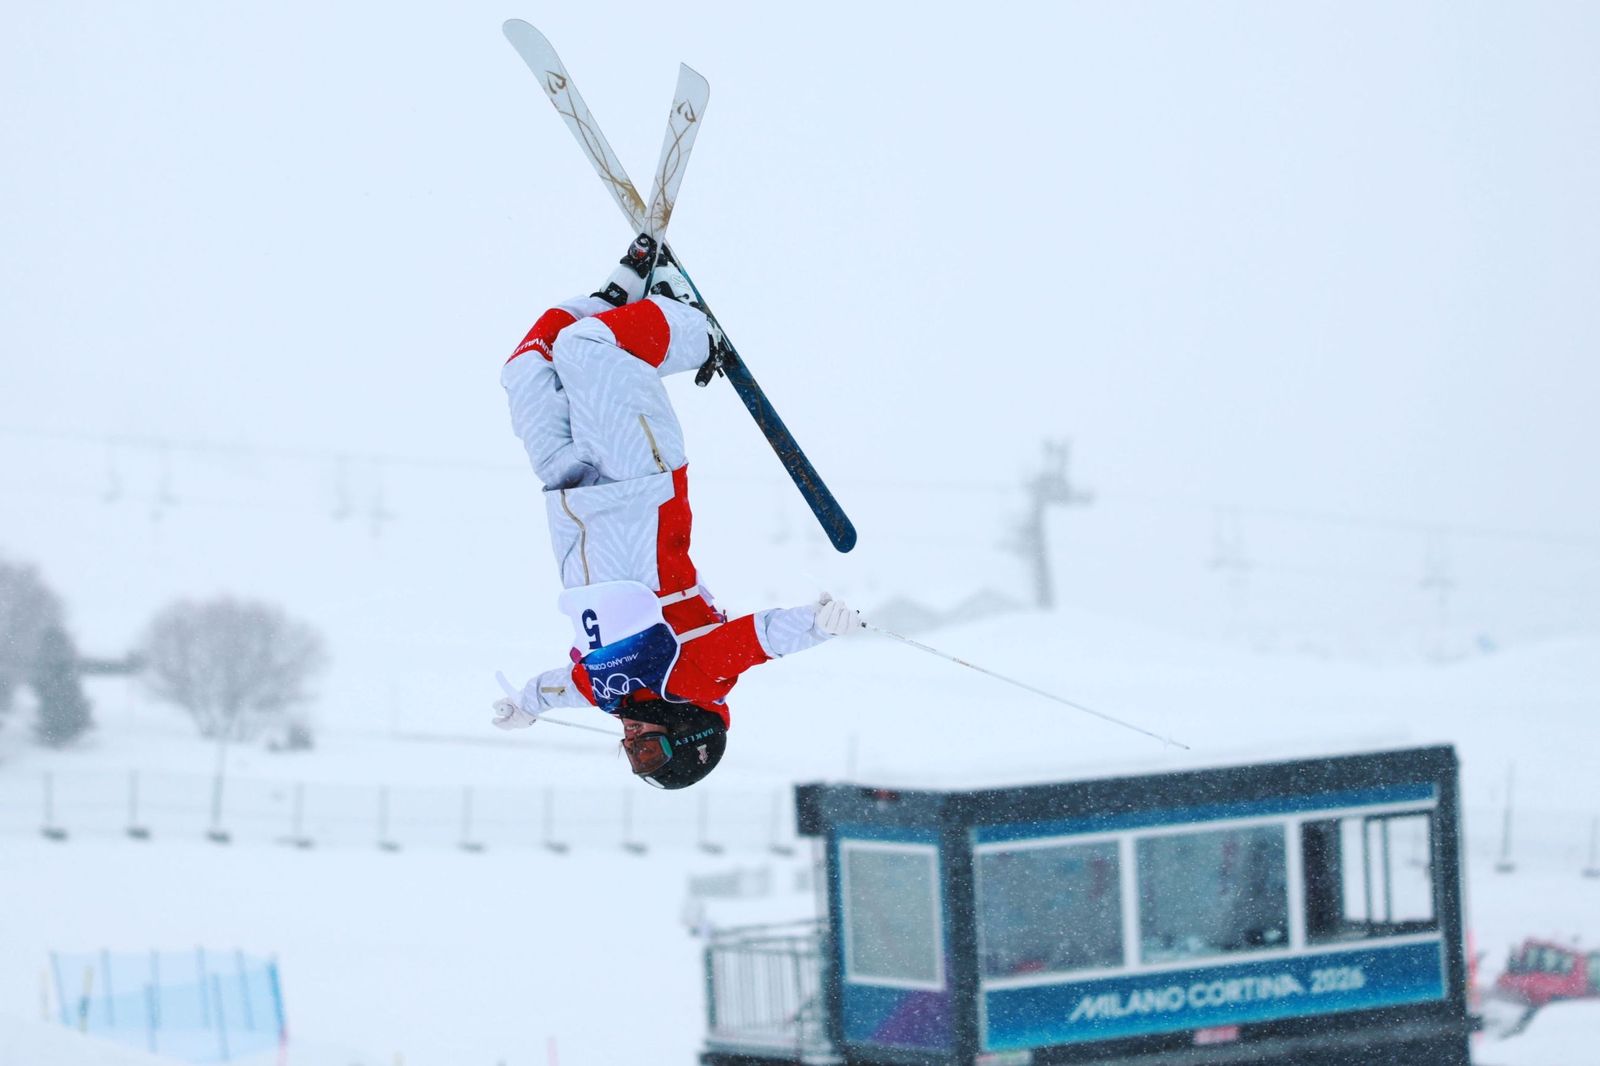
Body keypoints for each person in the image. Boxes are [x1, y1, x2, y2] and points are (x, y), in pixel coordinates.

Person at [490, 235, 859, 789]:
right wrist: (822, 625)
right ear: (689, 732)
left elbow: (553, 689)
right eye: (649, 748)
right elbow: (761, 640)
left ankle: (616, 298)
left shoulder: (602, 690)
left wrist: (525, 705)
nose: (632, 740)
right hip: (640, 480)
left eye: (632, 754)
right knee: (586, 350)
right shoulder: (690, 677)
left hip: (570, 494)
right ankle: (691, 327)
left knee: (527, 367)